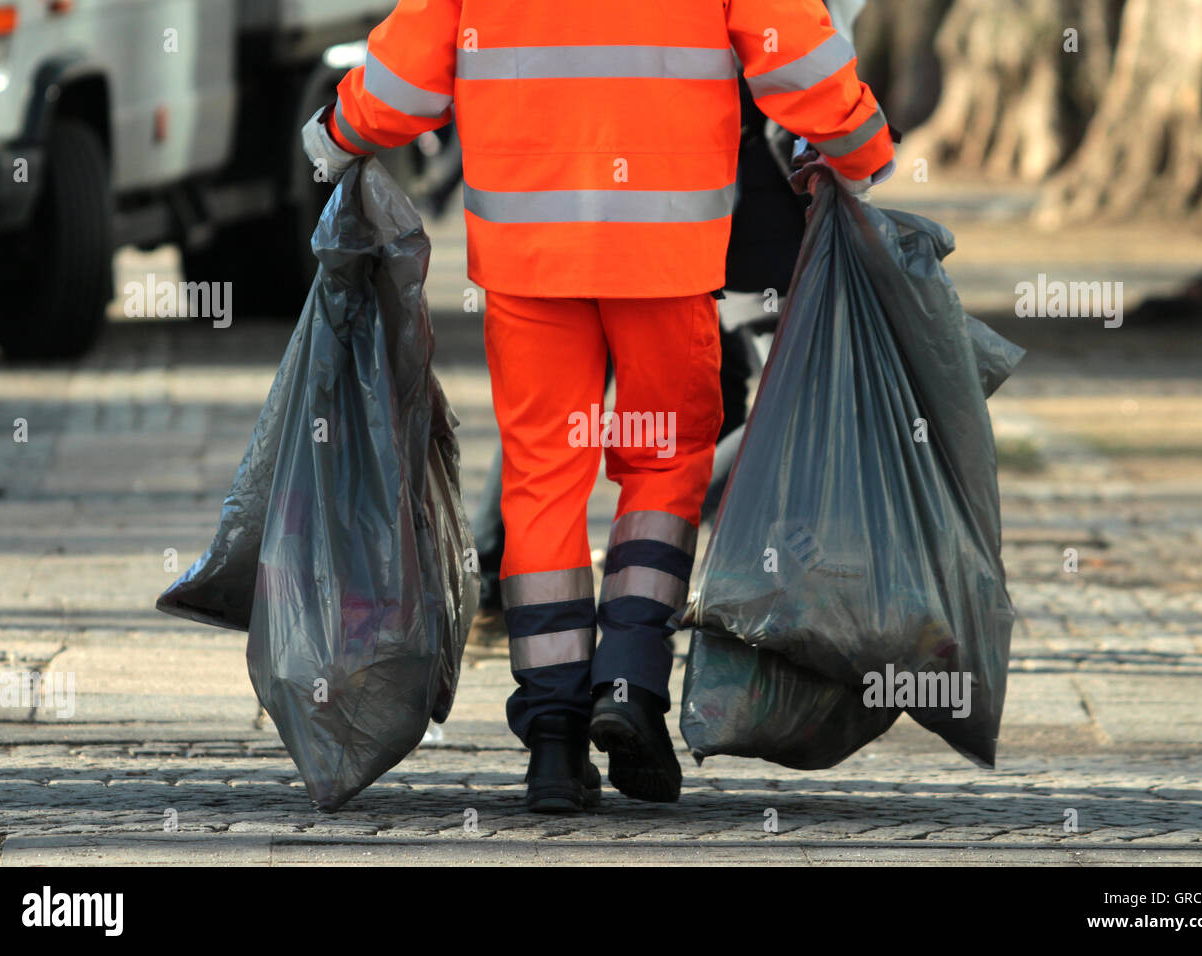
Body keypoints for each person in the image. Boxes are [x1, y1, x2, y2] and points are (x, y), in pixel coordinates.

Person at [303, 0, 895, 813]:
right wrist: (863, 146)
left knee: (543, 478)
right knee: (663, 464)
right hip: (668, 252)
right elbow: (795, 53)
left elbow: (407, 75)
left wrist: (335, 135)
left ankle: (552, 738)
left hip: (526, 254)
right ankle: (631, 682)